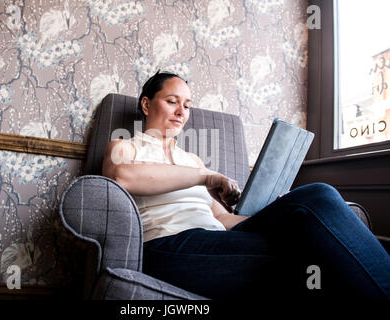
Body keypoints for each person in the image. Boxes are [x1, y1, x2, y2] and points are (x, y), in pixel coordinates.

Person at [102, 71, 390, 300]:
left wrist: (280, 211)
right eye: (172, 101)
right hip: (168, 246)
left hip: (220, 240)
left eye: (187, 105)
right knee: (314, 258)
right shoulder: (125, 146)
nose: (182, 111)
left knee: (316, 197)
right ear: (146, 104)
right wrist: (204, 177)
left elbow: (223, 219)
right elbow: (121, 178)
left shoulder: (193, 160)